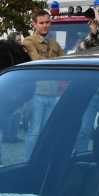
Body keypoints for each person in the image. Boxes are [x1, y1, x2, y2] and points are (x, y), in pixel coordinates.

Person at [22, 9, 66, 153]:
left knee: (46, 132)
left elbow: (65, 62)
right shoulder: (29, 41)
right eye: (41, 23)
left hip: (52, 93)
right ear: (34, 24)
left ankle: (39, 162)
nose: (45, 25)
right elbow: (35, 59)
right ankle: (28, 163)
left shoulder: (54, 44)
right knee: (34, 132)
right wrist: (56, 62)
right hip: (36, 92)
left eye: (47, 22)